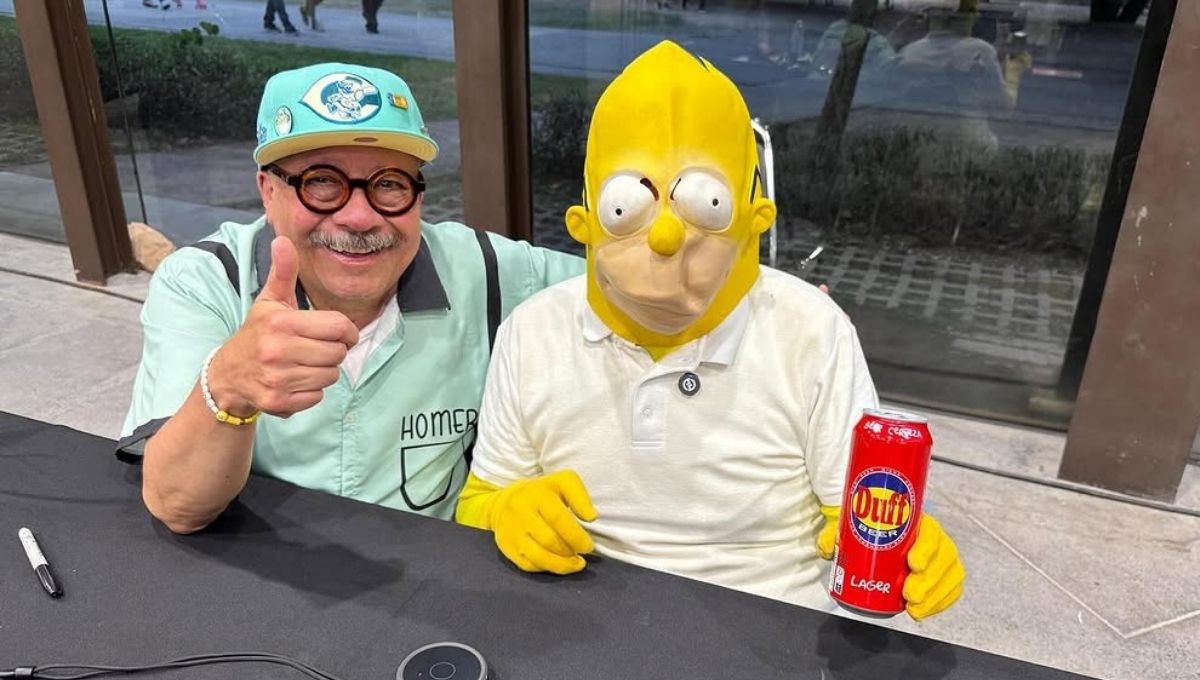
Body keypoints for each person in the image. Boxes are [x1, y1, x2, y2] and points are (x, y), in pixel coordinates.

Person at [456, 41, 964, 620]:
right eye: (625, 208)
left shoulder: (810, 332)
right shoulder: (533, 332)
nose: (665, 237)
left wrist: (910, 552)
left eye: (707, 204)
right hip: (581, 618)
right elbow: (482, 498)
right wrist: (506, 512)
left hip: (774, 625)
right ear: (584, 224)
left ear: (755, 219)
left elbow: (859, 513)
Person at [117, 62, 583, 534]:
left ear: (419, 196)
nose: (359, 217)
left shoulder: (487, 270)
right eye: (321, 182)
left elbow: (614, 280)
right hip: (259, 567)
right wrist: (228, 384)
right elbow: (178, 506)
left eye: (389, 184)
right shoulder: (206, 282)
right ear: (268, 191)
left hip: (432, 568)